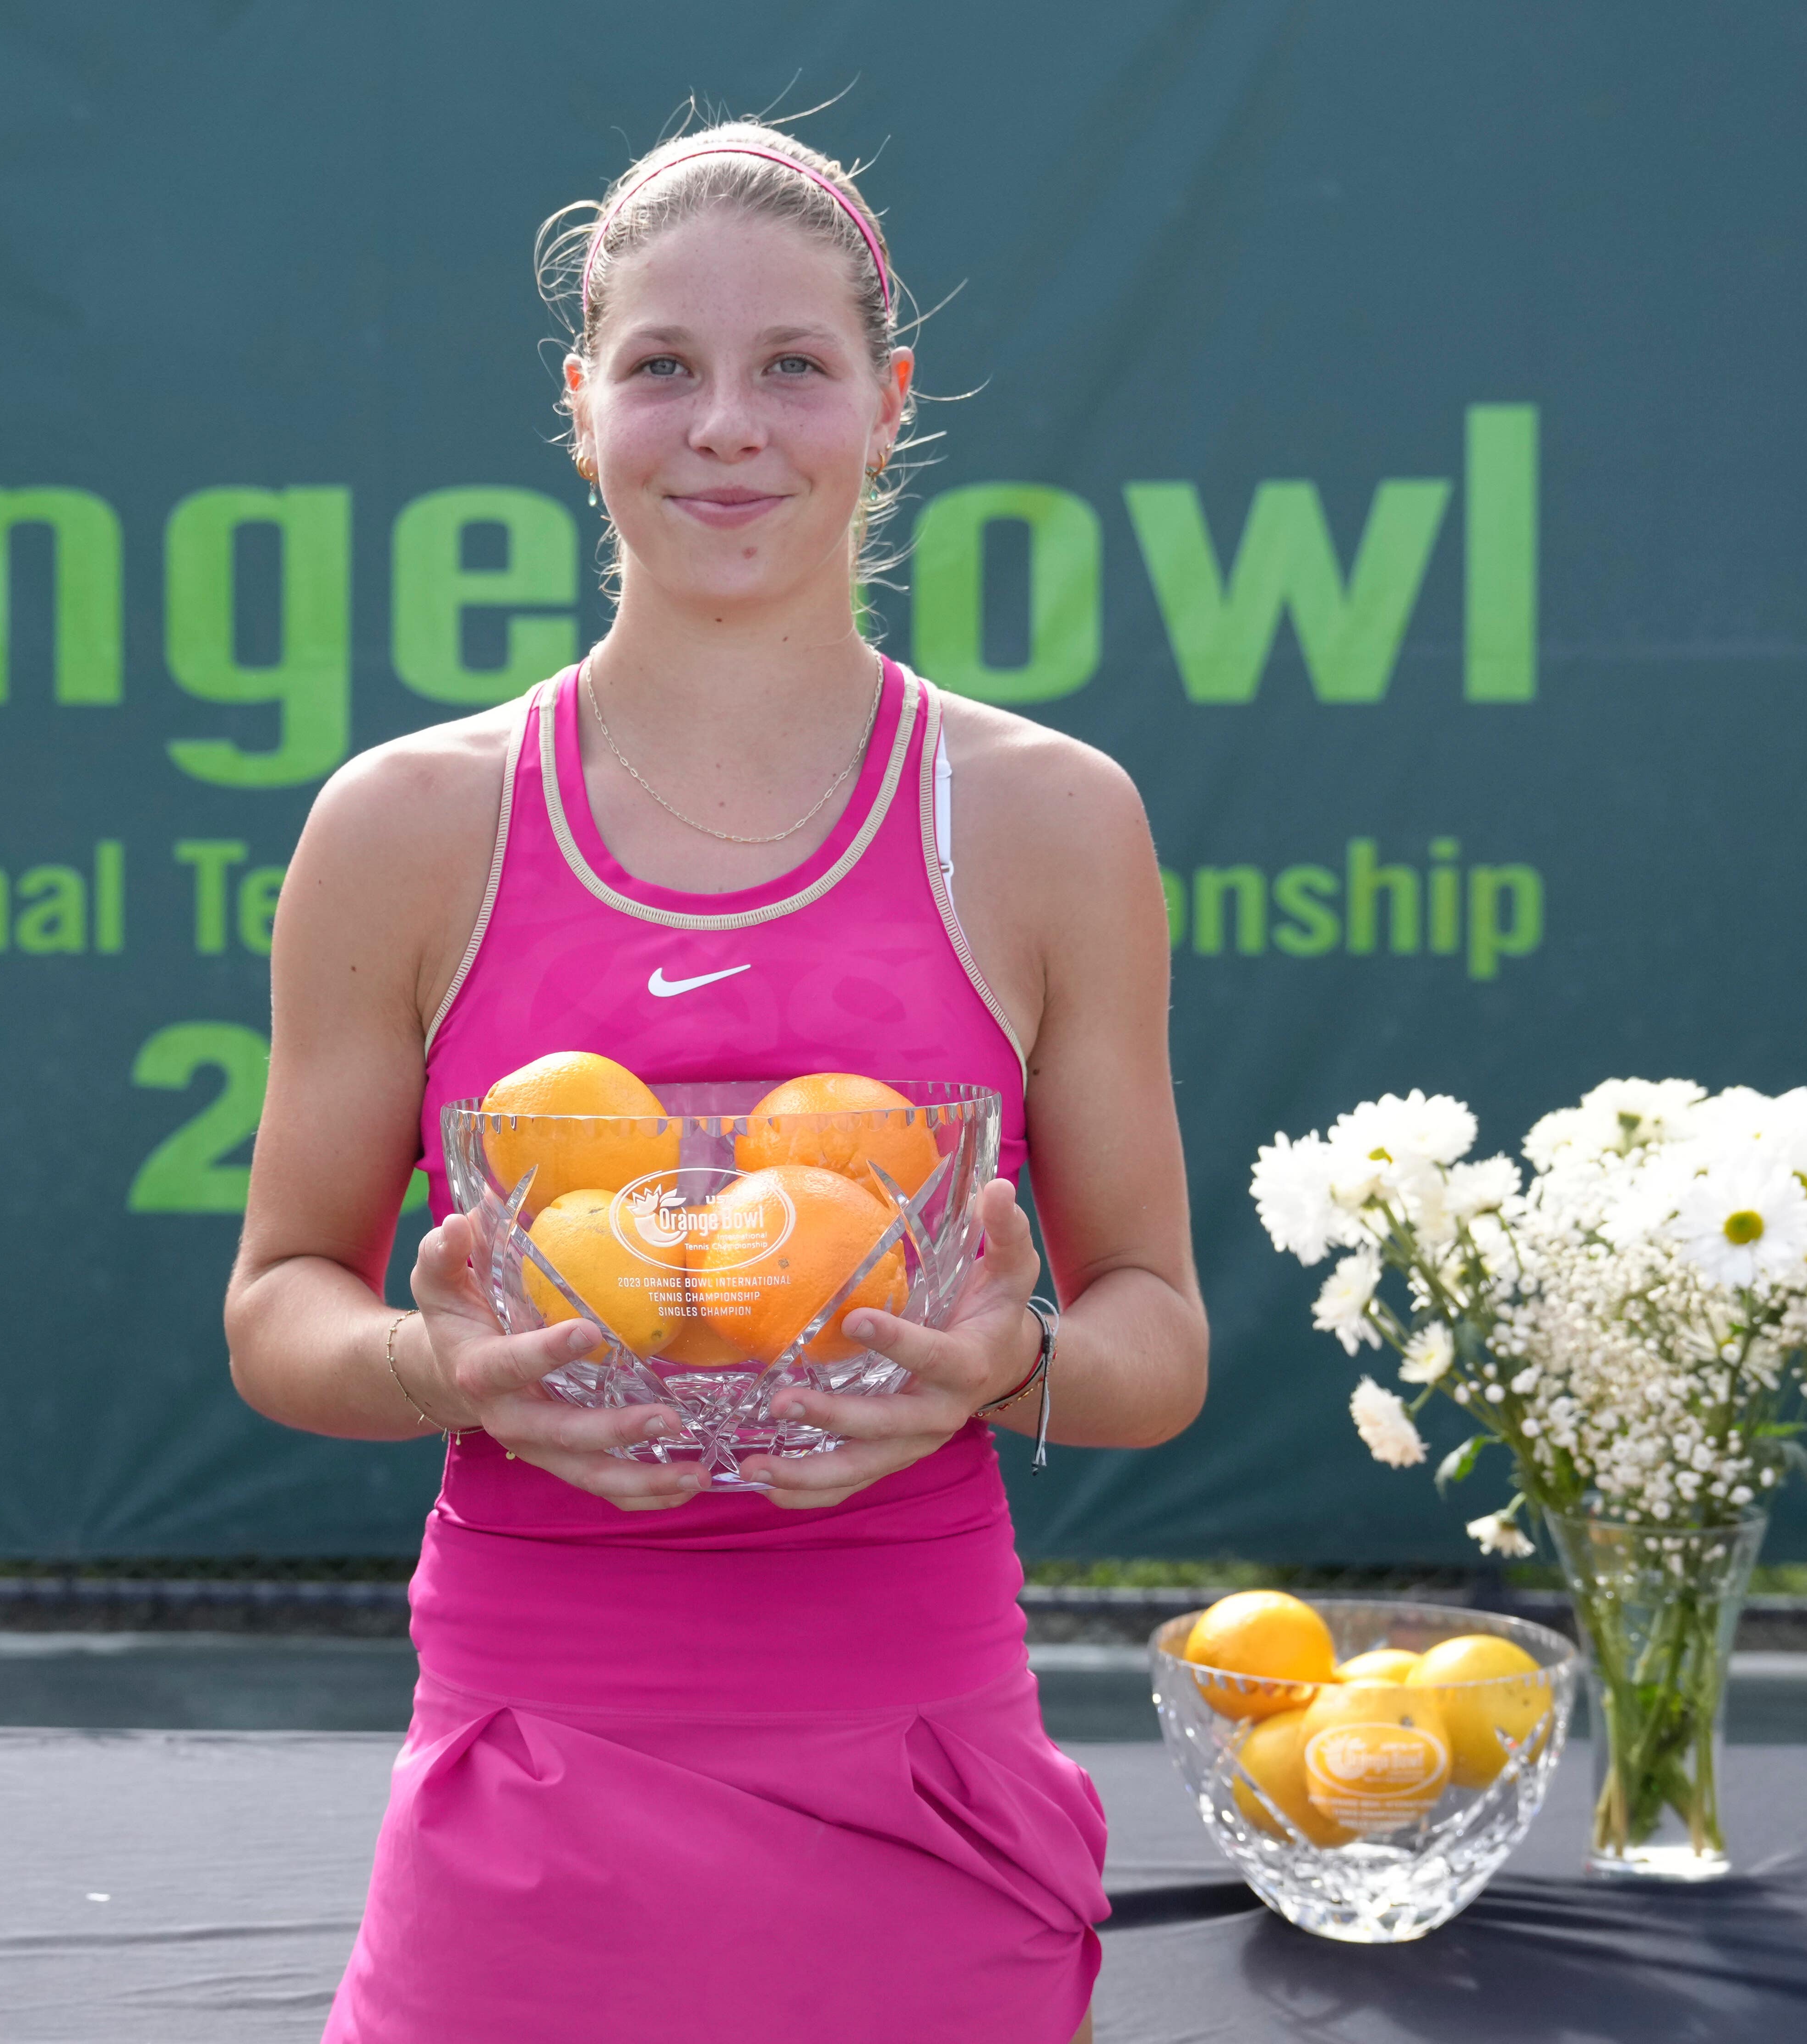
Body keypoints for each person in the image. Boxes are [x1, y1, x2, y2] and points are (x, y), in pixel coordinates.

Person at [226, 118, 1208, 2044]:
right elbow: (279, 1307)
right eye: (664, 365)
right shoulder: (407, 826)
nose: (727, 428)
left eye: (793, 368)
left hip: (920, 1758)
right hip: (528, 1761)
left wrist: (1008, 1365)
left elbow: (1158, 1340)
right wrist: (436, 1368)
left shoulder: (1047, 821)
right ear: (581, 402)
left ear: (886, 402)